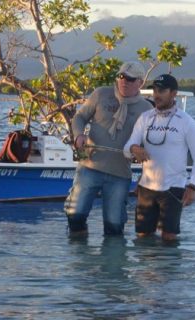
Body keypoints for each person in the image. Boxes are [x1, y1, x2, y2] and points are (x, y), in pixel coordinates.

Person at [64, 61, 154, 236]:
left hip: (120, 174)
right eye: (121, 76)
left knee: (114, 226)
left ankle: (111, 261)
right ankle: (79, 257)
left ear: (140, 83)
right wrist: (79, 135)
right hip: (89, 167)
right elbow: (79, 117)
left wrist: (140, 158)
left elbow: (149, 144)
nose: (124, 81)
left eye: (130, 79)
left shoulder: (147, 109)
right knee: (75, 215)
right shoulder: (100, 94)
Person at [123, 74, 195, 241]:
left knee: (169, 239)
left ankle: (168, 268)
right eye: (154, 90)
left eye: (161, 91)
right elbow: (126, 148)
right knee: (142, 238)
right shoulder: (145, 118)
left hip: (173, 188)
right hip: (146, 188)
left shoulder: (186, 121)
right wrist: (134, 148)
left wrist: (192, 187)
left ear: (173, 93)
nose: (156, 95)